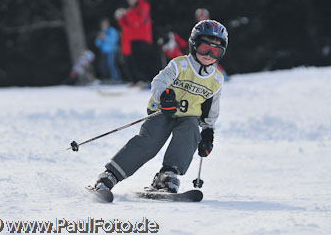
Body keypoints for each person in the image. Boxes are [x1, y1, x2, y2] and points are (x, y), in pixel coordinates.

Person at [89, 20, 229, 193]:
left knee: (190, 130)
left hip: (188, 117)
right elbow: (159, 82)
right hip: (164, 111)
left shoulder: (216, 79)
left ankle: (167, 175)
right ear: (194, 45)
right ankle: (110, 175)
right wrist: (164, 97)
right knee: (149, 142)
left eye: (215, 51)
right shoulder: (181, 65)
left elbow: (211, 109)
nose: (209, 54)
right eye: (204, 48)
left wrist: (208, 132)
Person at [115, 0, 155, 84]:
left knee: (143, 61)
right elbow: (126, 26)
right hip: (133, 39)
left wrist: (125, 13)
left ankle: (146, 81)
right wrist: (120, 18)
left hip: (143, 38)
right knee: (135, 62)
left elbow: (138, 21)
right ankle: (138, 81)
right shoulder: (131, 10)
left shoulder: (143, 5)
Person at [95, 18, 120, 82]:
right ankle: (106, 78)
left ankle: (115, 78)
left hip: (112, 51)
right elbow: (97, 44)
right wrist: (100, 38)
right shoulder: (101, 32)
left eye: (105, 23)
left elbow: (114, 40)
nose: (103, 25)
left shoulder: (111, 31)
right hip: (103, 51)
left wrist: (105, 37)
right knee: (103, 66)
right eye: (102, 24)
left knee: (111, 65)